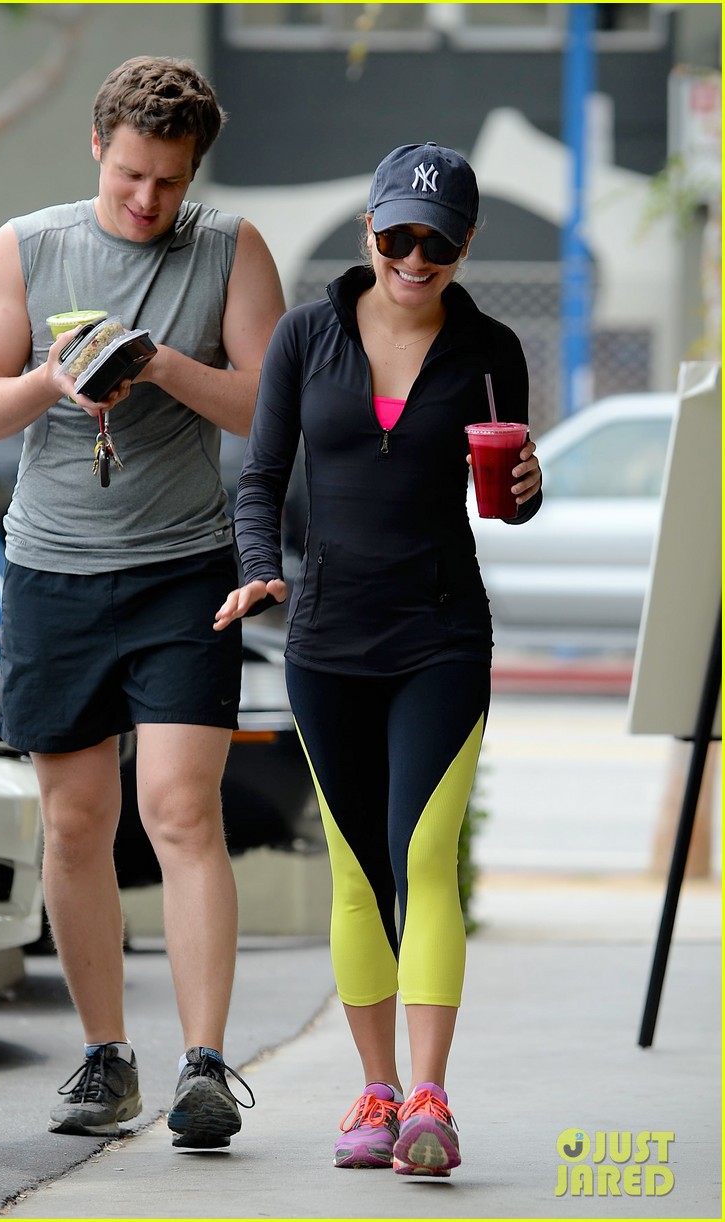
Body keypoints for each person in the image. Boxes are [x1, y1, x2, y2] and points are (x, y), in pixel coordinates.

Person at [0, 56, 285, 1148]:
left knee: (180, 810)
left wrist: (158, 367)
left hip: (184, 568)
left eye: (170, 182)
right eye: (131, 175)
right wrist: (54, 378)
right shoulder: (27, 245)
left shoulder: (230, 250)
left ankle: (203, 1067)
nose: (147, 200)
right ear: (98, 145)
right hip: (52, 571)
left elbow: (271, 405)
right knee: (76, 821)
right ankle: (106, 1058)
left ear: (195, 172)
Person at [214, 142, 542, 1177]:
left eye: (434, 243)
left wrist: (526, 490)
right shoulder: (305, 337)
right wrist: (259, 572)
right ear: (368, 228)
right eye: (396, 235)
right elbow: (260, 477)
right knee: (357, 871)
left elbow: (505, 499)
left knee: (422, 858)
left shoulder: (488, 349)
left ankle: (429, 1098)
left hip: (440, 637)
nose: (412, 257)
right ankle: (374, 1089)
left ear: (463, 246)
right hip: (326, 643)